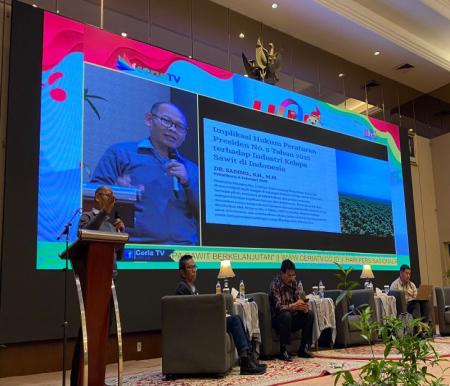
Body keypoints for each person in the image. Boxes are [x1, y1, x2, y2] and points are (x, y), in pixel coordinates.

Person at [90, 102, 199, 246]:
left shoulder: (192, 169)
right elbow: (93, 199)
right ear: (149, 119)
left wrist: (187, 183)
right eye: (167, 121)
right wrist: (118, 192)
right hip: (135, 248)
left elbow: (204, 215)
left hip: (185, 253)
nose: (173, 129)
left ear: (184, 135)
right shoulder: (120, 153)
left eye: (179, 126)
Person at [175, 255, 266, 375]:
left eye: (195, 267)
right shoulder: (182, 288)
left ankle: (248, 358)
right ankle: (246, 361)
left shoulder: (192, 287)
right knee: (234, 320)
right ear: (182, 272)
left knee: (236, 319)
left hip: (204, 322)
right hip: (198, 327)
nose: (194, 270)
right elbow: (193, 313)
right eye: (190, 267)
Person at [70, 185, 124, 386]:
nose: (112, 198)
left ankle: (97, 379)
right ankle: (79, 380)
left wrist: (121, 236)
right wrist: (104, 213)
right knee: (88, 333)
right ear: (98, 197)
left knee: (103, 334)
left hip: (109, 282)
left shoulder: (110, 225)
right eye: (108, 195)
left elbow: (118, 255)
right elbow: (85, 233)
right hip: (93, 283)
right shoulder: (86, 217)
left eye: (112, 195)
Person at [269, 259, 314, 361]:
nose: (291, 278)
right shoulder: (275, 285)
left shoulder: (294, 283)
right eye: (289, 275)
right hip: (278, 319)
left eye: (293, 275)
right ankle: (283, 351)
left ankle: (303, 349)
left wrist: (303, 307)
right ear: (282, 273)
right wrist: (293, 306)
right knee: (286, 315)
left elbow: (298, 299)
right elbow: (278, 306)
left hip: (291, 317)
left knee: (309, 315)